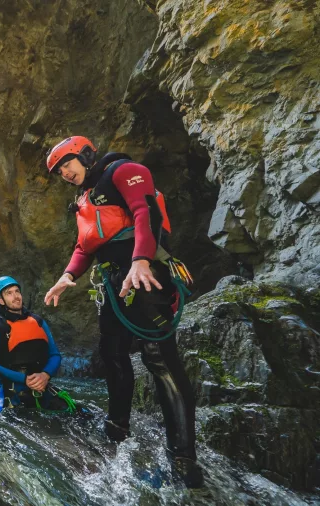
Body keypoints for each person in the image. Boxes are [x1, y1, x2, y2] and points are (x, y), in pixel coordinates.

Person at [42, 136, 203, 487]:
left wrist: (142, 260)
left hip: (146, 275)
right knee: (112, 354)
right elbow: (85, 246)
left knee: (159, 356)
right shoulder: (85, 198)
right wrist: (67, 277)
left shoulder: (124, 171)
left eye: (67, 163)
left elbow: (146, 212)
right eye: (59, 171)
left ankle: (183, 456)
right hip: (113, 282)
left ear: (84, 154)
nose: (65, 173)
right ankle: (116, 429)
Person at [0, 276, 75, 412]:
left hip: (42, 385)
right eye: (9, 293)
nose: (16, 296)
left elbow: (55, 354)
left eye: (17, 291)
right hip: (13, 390)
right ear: (1, 300)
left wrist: (45, 375)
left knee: (80, 414)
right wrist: (24, 379)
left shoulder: (38, 321)